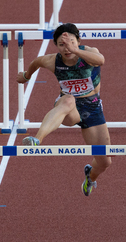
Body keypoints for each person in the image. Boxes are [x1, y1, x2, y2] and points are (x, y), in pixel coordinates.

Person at [16, 23, 110, 196]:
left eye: (71, 43)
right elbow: (36, 62)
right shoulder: (53, 61)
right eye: (61, 45)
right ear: (56, 46)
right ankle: (37, 139)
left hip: (93, 108)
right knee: (68, 99)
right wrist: (26, 76)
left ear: (78, 41)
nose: (66, 48)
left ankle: (90, 177)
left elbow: (101, 61)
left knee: (104, 162)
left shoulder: (89, 53)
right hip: (69, 109)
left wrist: (75, 50)